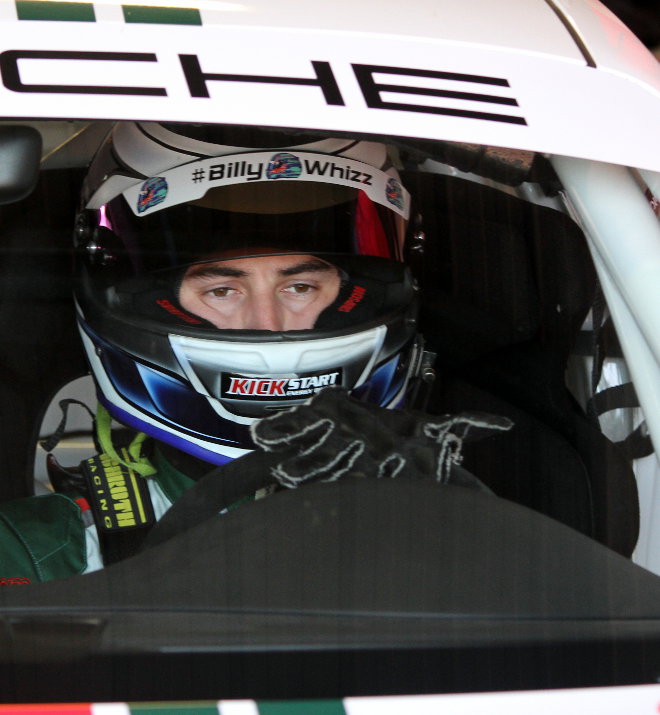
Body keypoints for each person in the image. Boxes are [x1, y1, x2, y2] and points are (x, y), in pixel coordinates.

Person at [0, 123, 503, 584]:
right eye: (222, 290)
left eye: (301, 286)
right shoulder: (38, 551)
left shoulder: (455, 533)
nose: (268, 323)